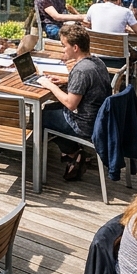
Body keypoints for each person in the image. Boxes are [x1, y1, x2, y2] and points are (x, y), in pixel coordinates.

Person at [40, 24, 114, 181]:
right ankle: (72, 153)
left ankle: (71, 154)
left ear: (75, 47)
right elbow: (89, 82)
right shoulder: (97, 61)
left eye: (64, 45)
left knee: (41, 116)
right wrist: (65, 80)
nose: (63, 49)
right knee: (51, 109)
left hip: (85, 124)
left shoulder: (80, 70)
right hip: (99, 118)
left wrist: (50, 85)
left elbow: (70, 104)